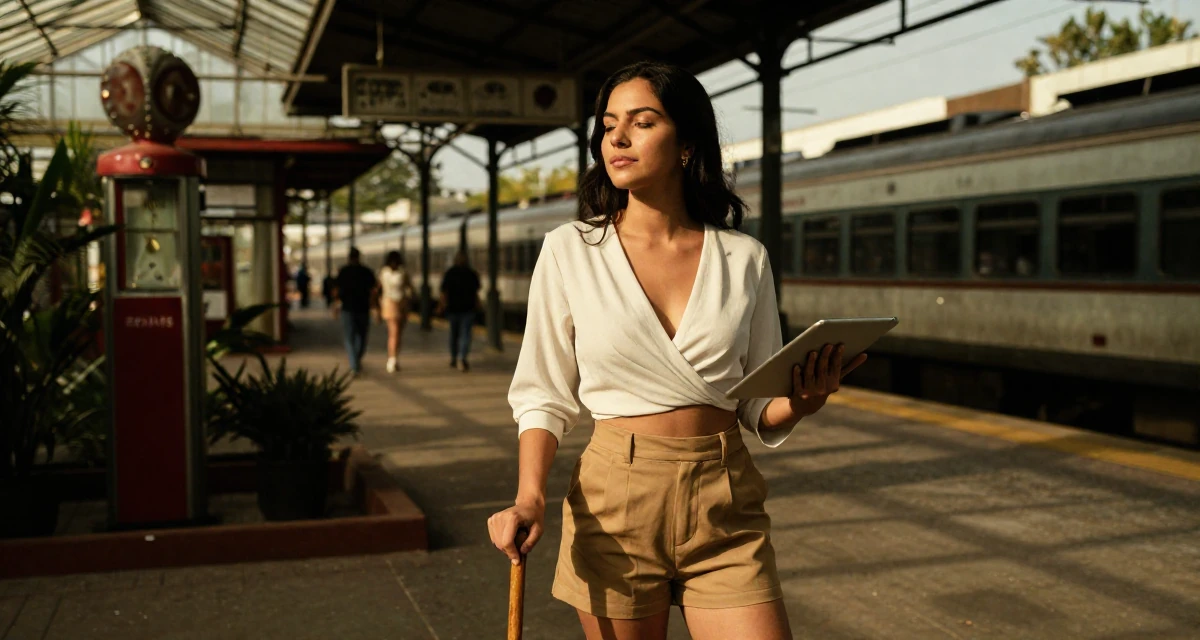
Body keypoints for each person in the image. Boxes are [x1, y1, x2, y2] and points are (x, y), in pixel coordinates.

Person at [487, 61, 868, 640]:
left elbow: (756, 404)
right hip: (614, 498)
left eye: (641, 122)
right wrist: (529, 498)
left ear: (687, 143)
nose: (617, 137)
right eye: (609, 124)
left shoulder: (745, 258)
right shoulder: (570, 250)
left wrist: (802, 401)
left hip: (724, 497)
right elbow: (543, 393)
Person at [333, 247, 376, 375]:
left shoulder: (343, 271)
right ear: (359, 257)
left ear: (349, 257)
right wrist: (375, 306)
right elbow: (373, 291)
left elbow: (336, 291)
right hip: (363, 309)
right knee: (362, 337)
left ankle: (354, 364)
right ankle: (355, 362)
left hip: (347, 309)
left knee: (349, 338)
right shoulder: (367, 271)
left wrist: (335, 306)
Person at [437, 250, 481, 372]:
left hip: (454, 309)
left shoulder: (450, 273)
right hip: (467, 309)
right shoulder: (471, 274)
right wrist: (478, 305)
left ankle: (454, 357)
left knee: (454, 334)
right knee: (465, 334)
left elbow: (443, 292)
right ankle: (462, 357)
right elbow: (476, 292)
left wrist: (441, 305)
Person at [377, 250, 415, 373]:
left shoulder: (387, 272)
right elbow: (410, 288)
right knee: (394, 333)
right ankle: (392, 359)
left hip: (396, 304)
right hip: (393, 304)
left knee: (397, 333)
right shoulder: (392, 273)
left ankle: (394, 357)